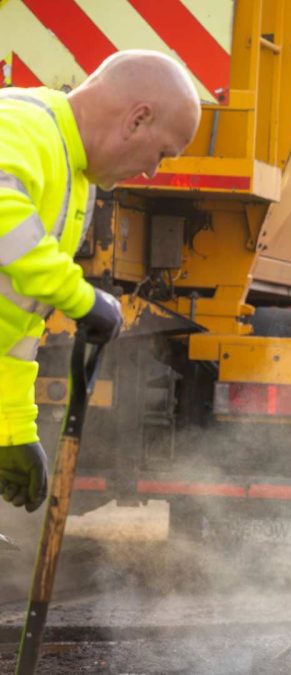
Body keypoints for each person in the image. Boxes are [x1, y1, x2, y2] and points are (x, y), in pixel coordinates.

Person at [0, 50, 201, 512]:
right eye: (162, 153)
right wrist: (79, 296)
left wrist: (14, 430)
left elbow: (19, 324)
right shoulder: (25, 124)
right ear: (137, 119)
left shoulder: (75, 181)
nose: (152, 171)